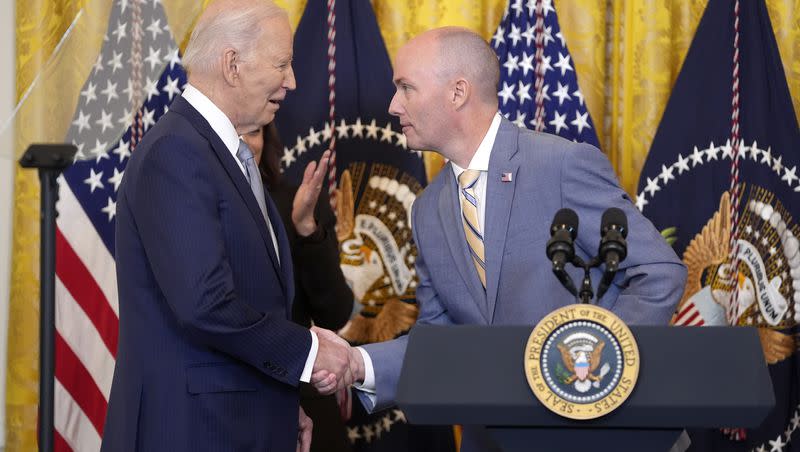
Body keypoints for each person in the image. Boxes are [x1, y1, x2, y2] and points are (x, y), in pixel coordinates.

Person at [312, 27, 689, 452]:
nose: (393, 105)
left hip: (606, 437)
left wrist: (596, 370)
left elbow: (658, 271)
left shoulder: (561, 165)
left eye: (406, 88)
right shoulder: (429, 209)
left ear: (457, 92)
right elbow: (443, 339)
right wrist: (358, 362)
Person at [102, 1, 352, 450]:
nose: (293, 81)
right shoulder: (176, 153)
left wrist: (278, 404)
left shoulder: (223, 154)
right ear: (232, 64)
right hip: (191, 430)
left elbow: (256, 297)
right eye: (282, 64)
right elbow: (206, 305)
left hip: (233, 422)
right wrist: (309, 353)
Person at [242, 123, 354, 452]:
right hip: (229, 402)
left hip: (301, 396)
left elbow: (335, 312)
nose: (244, 144)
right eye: (232, 131)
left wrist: (306, 227)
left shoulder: (296, 202)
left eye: (252, 132)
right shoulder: (196, 204)